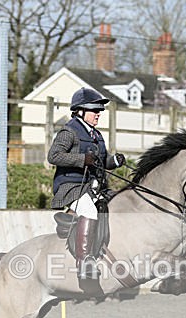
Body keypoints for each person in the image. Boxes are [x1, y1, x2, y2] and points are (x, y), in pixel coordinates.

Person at [47, 87, 126, 281]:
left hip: (93, 187)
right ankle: (84, 263)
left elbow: (101, 161)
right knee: (89, 211)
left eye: (99, 110)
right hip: (71, 187)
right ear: (80, 111)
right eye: (94, 110)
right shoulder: (69, 131)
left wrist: (114, 161)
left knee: (119, 203)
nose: (98, 114)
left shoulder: (97, 136)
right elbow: (53, 156)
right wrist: (82, 159)